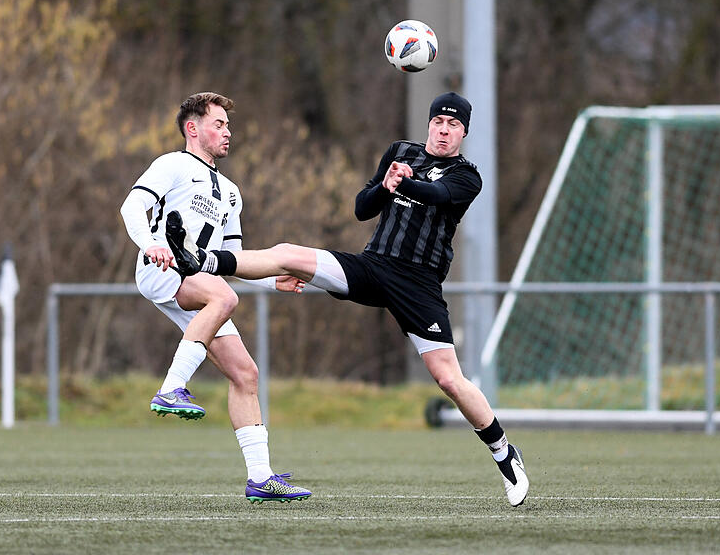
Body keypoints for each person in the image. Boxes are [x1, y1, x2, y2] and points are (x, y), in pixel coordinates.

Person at [176, 92, 528, 507]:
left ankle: (504, 453)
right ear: (429, 123)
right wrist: (386, 185)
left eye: (453, 125)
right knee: (288, 254)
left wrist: (403, 183)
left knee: (450, 380)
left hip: (418, 285)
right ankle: (204, 259)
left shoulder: (467, 175)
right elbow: (362, 208)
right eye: (438, 122)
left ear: (464, 132)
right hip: (372, 267)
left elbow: (435, 195)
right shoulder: (400, 152)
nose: (444, 130)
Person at [119, 91, 311, 503]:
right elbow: (131, 207)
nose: (228, 132)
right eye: (219, 124)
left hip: (202, 282)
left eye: (228, 125)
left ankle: (261, 478)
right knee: (223, 298)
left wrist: (271, 281)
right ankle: (171, 388)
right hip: (162, 268)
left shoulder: (231, 192)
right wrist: (152, 244)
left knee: (246, 374)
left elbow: (234, 260)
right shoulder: (172, 164)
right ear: (192, 128)